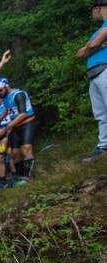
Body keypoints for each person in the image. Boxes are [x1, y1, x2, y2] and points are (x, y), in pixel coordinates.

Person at [76, 0, 107, 162]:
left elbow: (91, 45)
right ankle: (103, 146)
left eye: (92, 11)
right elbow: (79, 54)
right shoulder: (98, 30)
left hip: (105, 68)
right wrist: (96, 46)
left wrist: (93, 46)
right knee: (101, 113)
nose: (92, 14)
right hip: (94, 74)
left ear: (98, 8)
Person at [0, 77, 36, 181]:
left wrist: (6, 128)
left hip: (26, 123)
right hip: (15, 126)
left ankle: (28, 176)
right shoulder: (4, 97)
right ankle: (20, 175)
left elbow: (23, 114)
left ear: (6, 87)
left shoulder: (18, 95)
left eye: (0, 91)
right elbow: (8, 109)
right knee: (14, 153)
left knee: (26, 148)